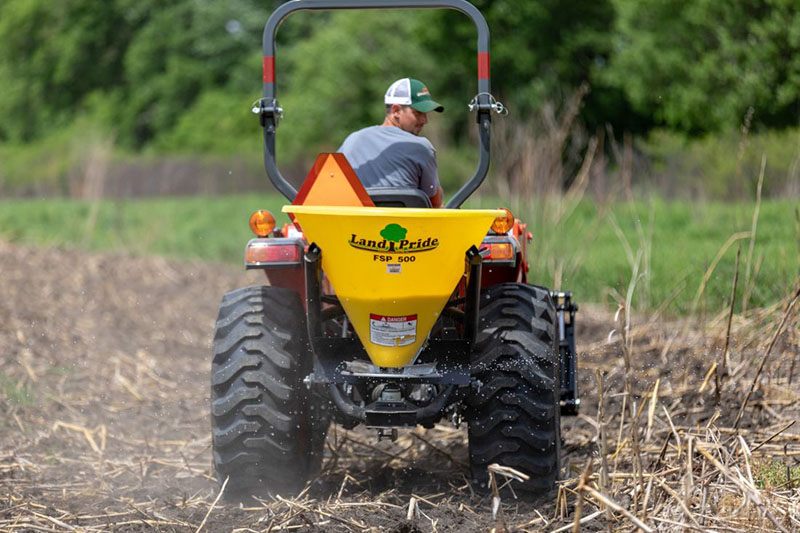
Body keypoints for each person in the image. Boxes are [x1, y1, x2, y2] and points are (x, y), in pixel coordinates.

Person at [338, 78, 445, 207]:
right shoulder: (421, 147)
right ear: (396, 111)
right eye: (418, 113)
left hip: (358, 225)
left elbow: (333, 186)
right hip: (407, 226)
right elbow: (435, 203)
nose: (424, 120)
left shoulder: (352, 140)